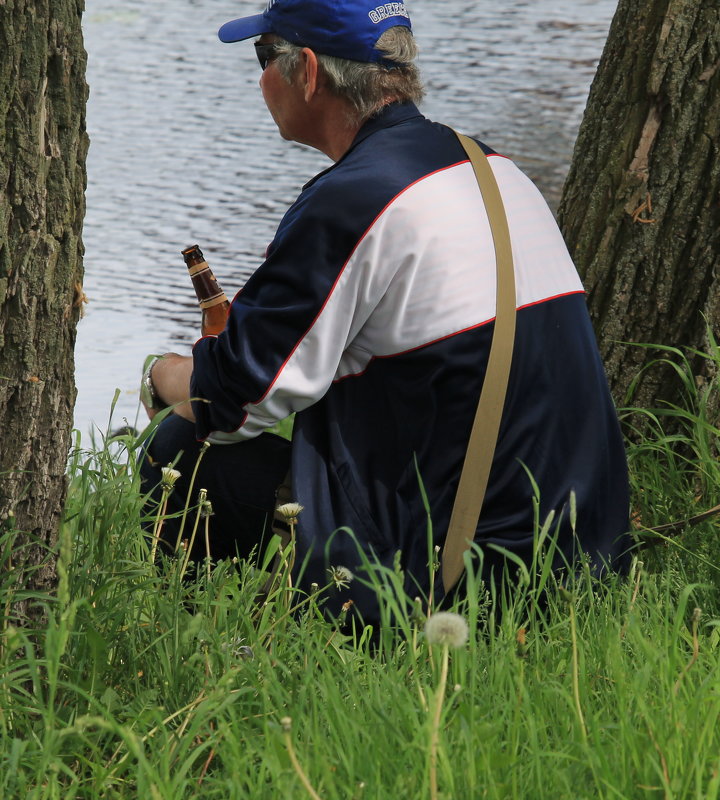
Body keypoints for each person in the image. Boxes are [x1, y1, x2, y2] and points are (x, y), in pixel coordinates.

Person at [139, 0, 632, 624]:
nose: (260, 77)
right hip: (581, 557)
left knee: (185, 445)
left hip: (466, 581)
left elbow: (238, 402)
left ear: (308, 71)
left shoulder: (353, 198)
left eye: (265, 57)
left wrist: (161, 374)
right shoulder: (490, 166)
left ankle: (205, 651)